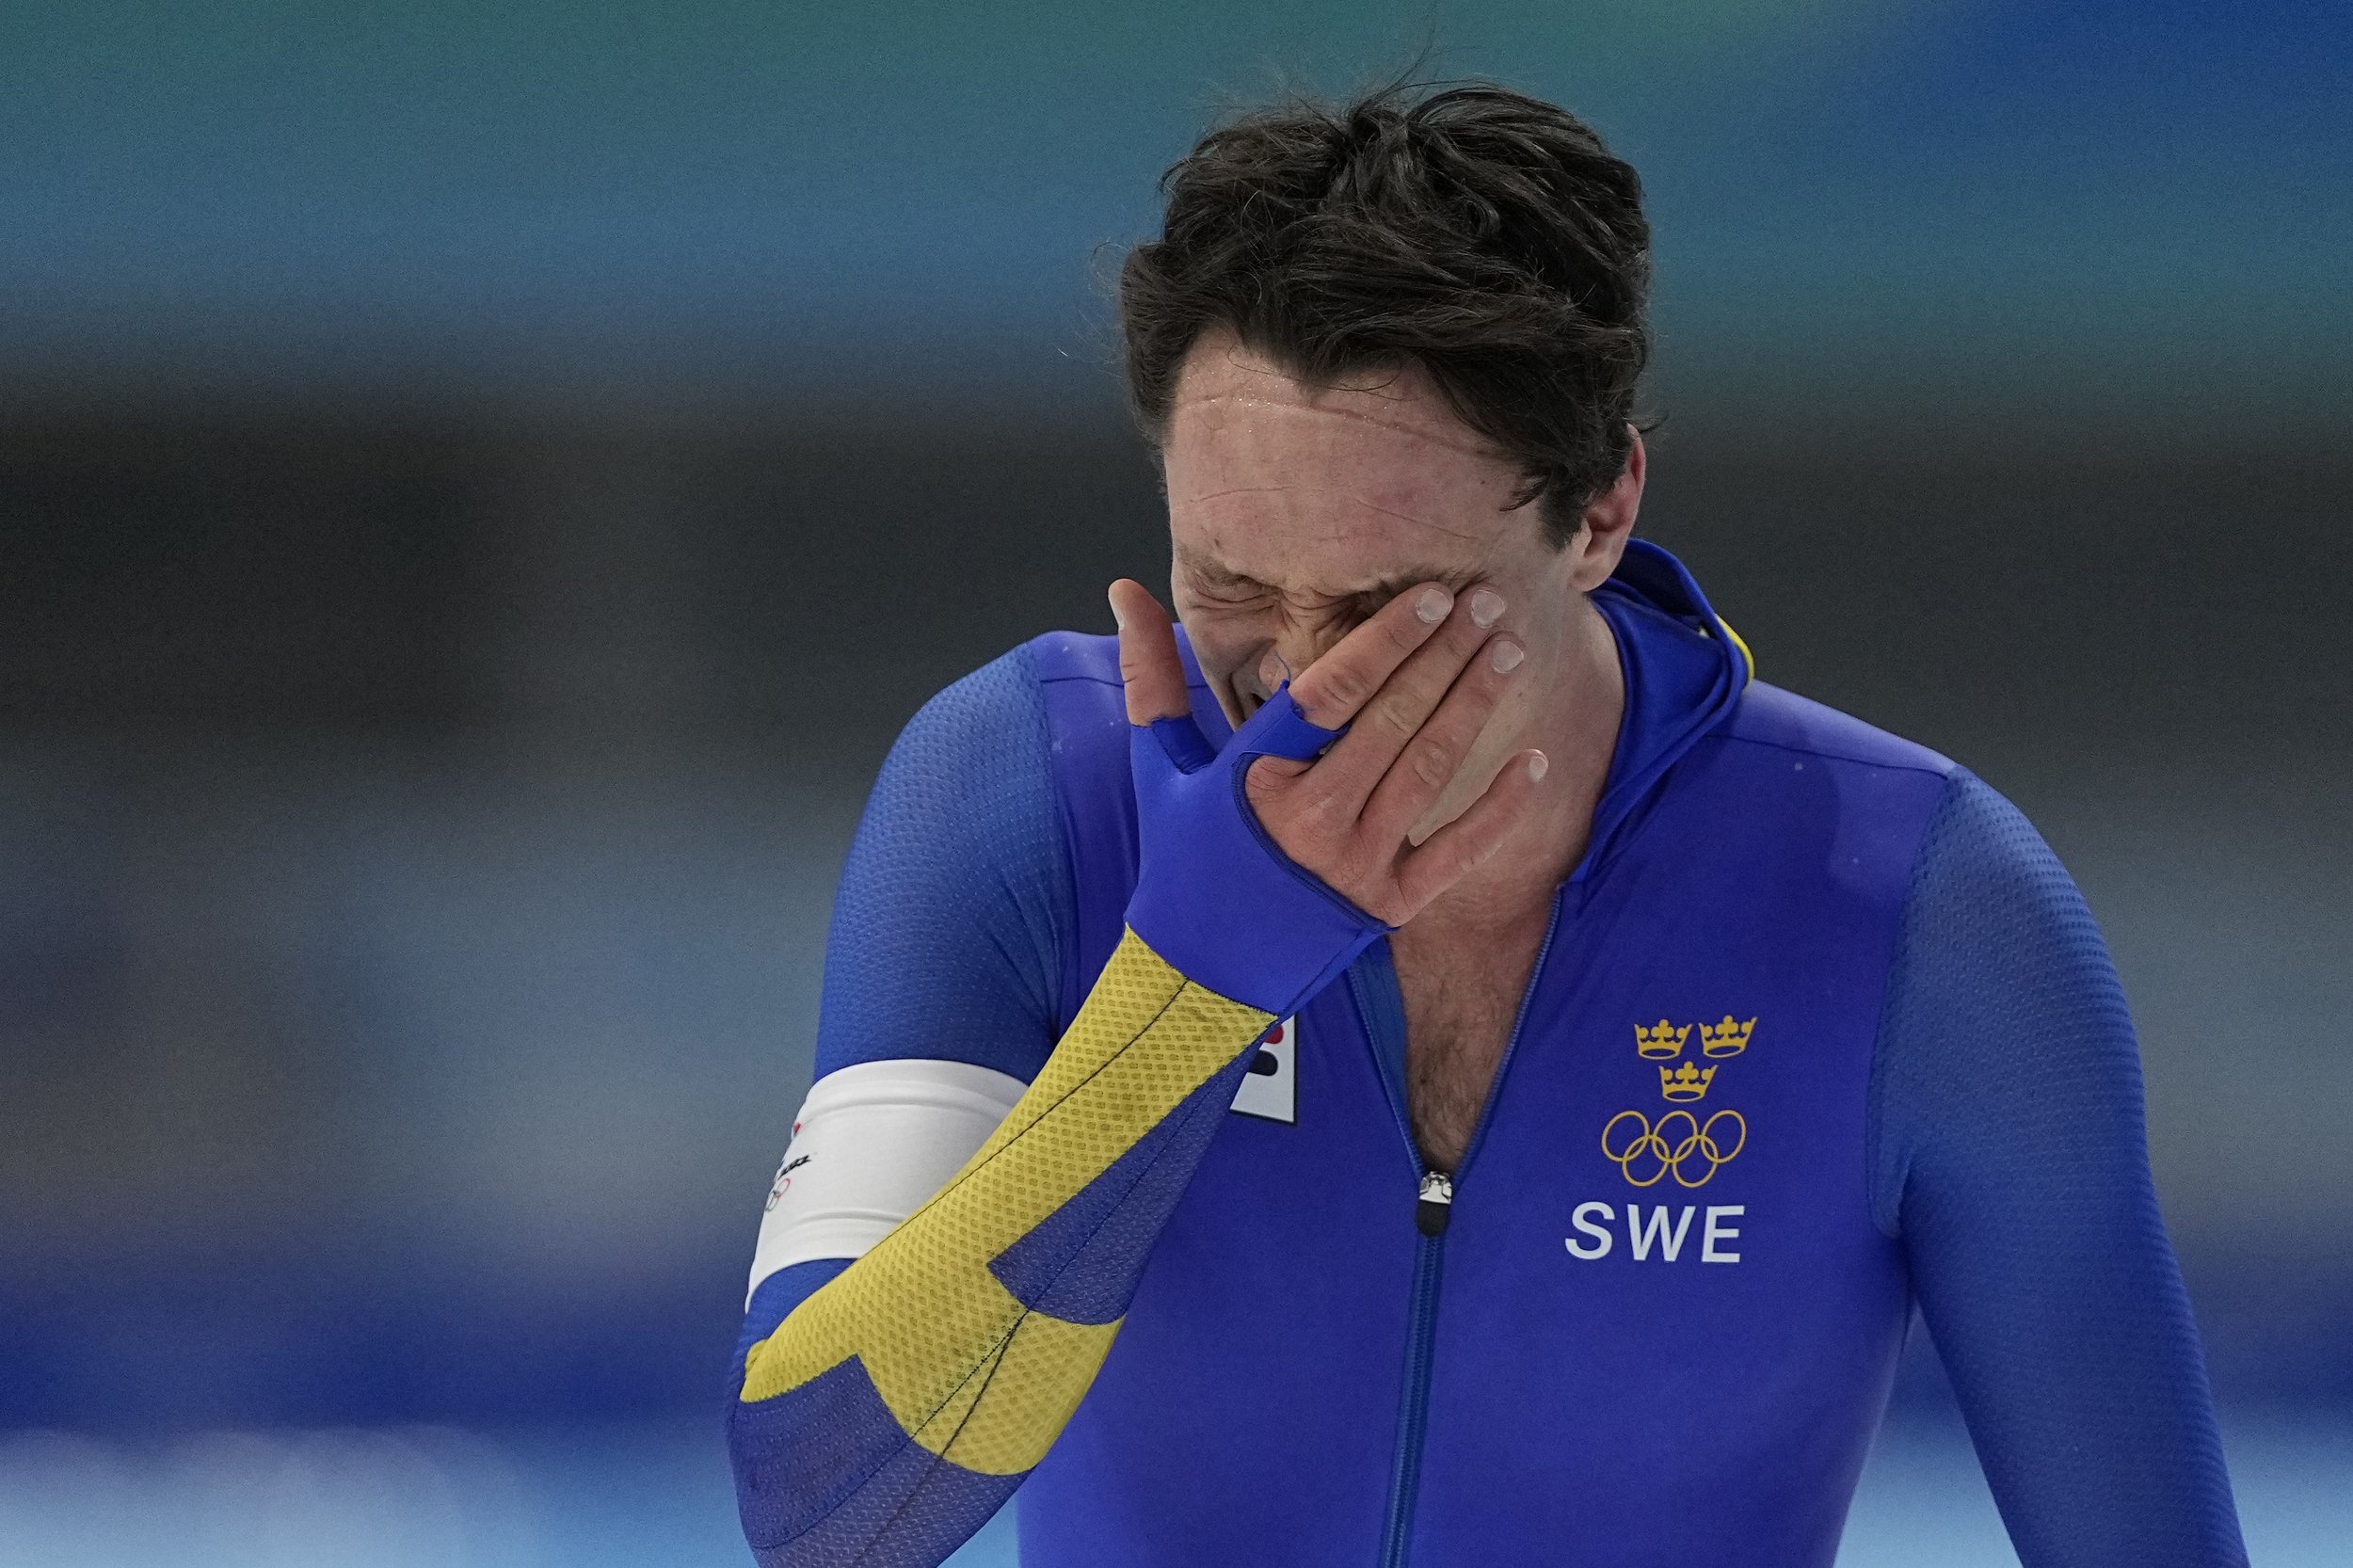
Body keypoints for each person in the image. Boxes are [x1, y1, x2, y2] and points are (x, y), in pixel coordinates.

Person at [726, 82, 2247, 1567]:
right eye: (1232, 591)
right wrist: (1184, 991)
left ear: (1598, 514)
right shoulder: (1021, 798)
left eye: (1395, 611)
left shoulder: (1925, 910)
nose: (1307, 686)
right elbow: (824, 1515)